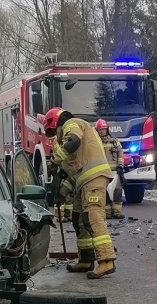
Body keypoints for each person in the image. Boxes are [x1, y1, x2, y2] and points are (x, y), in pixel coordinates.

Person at [43, 107, 116, 279]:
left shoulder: (72, 123)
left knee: (93, 217)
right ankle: (86, 259)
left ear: (57, 123)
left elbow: (73, 140)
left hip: (94, 178)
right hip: (84, 181)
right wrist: (61, 192)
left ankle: (106, 260)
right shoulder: (74, 150)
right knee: (78, 219)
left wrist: (54, 161)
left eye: (54, 132)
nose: (56, 136)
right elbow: (75, 173)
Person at [96, 118, 126, 219]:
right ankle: (107, 213)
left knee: (117, 192)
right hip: (102, 173)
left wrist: (120, 166)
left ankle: (117, 213)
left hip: (115, 173)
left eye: (103, 129)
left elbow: (120, 154)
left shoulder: (114, 142)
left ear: (107, 129)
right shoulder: (95, 143)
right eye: (99, 130)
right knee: (105, 194)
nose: (101, 131)